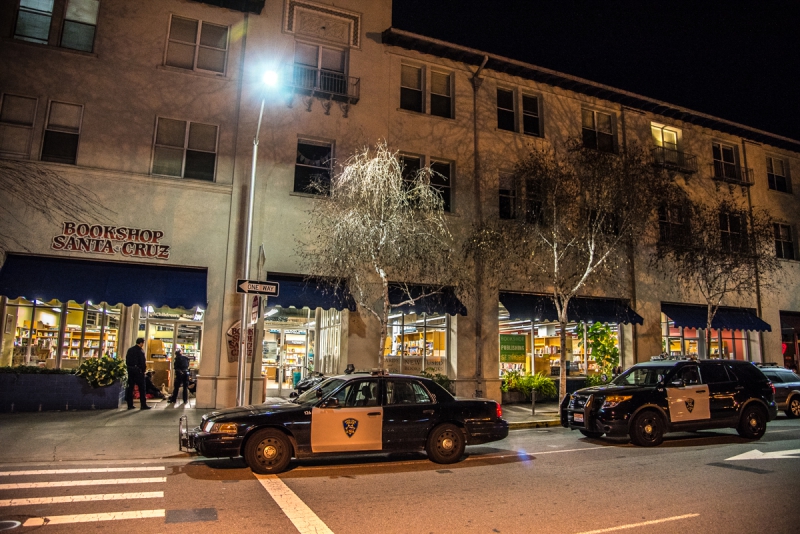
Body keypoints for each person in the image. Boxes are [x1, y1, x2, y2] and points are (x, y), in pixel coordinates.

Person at [125, 338, 150, 410]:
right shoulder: (140, 351)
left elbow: (127, 361)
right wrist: (143, 370)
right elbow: (142, 362)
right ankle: (143, 405)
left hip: (131, 371)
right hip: (139, 372)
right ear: (141, 343)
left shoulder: (130, 350)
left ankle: (130, 405)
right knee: (142, 388)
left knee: (130, 388)